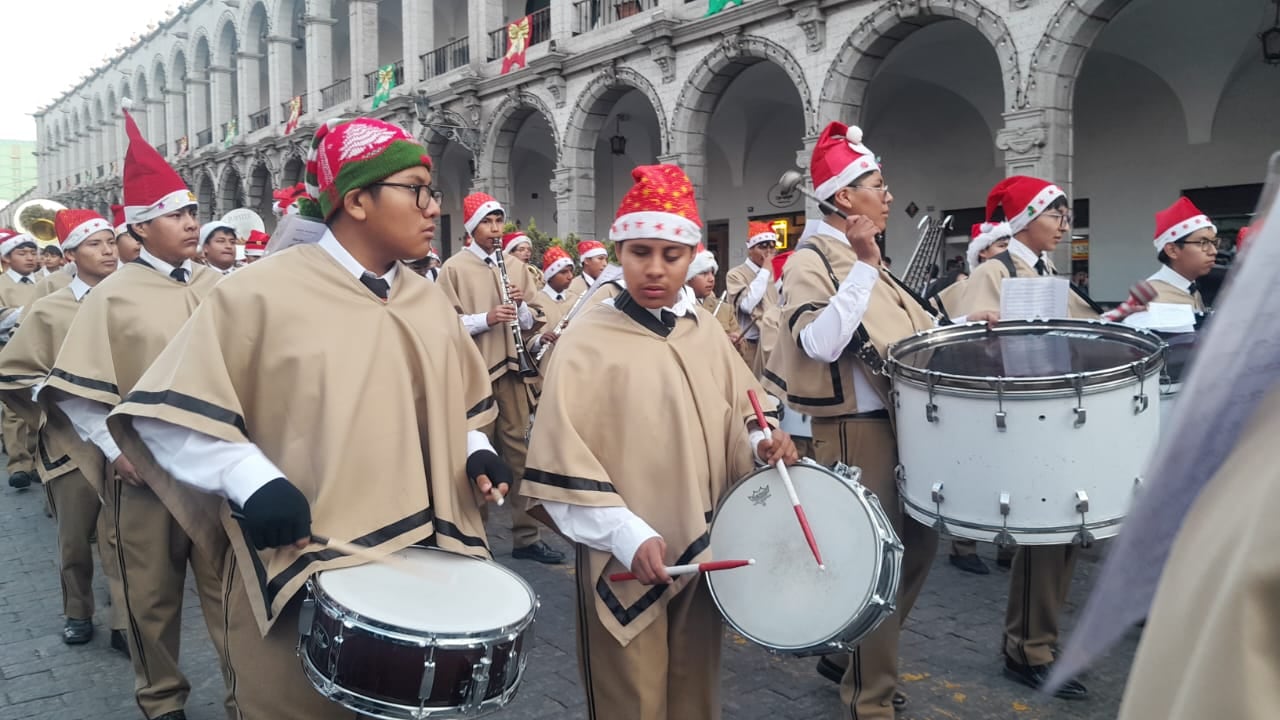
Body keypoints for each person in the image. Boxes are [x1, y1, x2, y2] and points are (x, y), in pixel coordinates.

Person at [105, 117, 506, 720]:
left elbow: (459, 400)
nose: (433, 207)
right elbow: (170, 415)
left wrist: (474, 447)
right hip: (307, 563)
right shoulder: (258, 293)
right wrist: (252, 481)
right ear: (357, 200)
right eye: (416, 189)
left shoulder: (427, 296)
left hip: (426, 563)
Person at [523, 163, 798, 720]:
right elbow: (561, 460)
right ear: (617, 251)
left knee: (694, 694)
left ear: (691, 255)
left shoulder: (702, 332)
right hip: (626, 558)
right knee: (634, 701)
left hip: (703, 548)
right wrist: (624, 534)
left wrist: (763, 439)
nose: (654, 269)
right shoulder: (586, 342)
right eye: (638, 252)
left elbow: (739, 409)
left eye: (670, 256)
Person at [763, 122, 996, 717]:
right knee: (879, 564)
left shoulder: (858, 257)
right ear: (844, 197)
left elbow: (913, 332)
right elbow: (817, 341)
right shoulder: (813, 258)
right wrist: (865, 267)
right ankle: (869, 698)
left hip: (896, 424)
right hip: (853, 431)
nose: (889, 195)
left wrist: (968, 326)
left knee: (916, 550)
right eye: (877, 184)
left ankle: (847, 656)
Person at [40, 105, 236, 720]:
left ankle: (245, 698)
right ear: (142, 228)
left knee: (229, 594)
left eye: (192, 213)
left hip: (216, 467)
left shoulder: (216, 285)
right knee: (151, 600)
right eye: (176, 214)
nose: (190, 222)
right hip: (145, 471)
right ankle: (161, 700)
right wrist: (116, 449)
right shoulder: (113, 296)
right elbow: (75, 389)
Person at [953, 175, 1096, 699]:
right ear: (1025, 219)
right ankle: (1028, 649)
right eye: (1054, 214)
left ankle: (1038, 642)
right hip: (1021, 417)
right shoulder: (995, 269)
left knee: (1063, 533)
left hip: (1053, 412)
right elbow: (964, 339)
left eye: (1064, 216)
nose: (1063, 224)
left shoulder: (1046, 271)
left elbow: (1086, 330)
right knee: (1045, 531)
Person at [0, 208, 128, 652]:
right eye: (95, 244)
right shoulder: (50, 309)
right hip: (70, 441)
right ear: (70, 253)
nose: (108, 250)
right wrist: (53, 395)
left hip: (128, 440)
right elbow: (14, 372)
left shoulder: (131, 298)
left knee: (120, 538)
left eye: (112, 242)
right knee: (75, 539)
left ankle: (123, 622)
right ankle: (78, 611)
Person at [437, 192, 562, 565]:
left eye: (498, 222)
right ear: (472, 227)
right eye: (487, 223)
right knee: (476, 456)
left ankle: (527, 536)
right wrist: (486, 319)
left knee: (521, 454)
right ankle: (475, 540)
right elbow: (443, 323)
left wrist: (520, 305)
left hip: (512, 371)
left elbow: (532, 321)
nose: (494, 229)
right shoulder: (453, 269)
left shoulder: (515, 266)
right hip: (474, 374)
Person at [0, 231, 44, 490]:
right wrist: (32, 314)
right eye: (22, 253)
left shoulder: (44, 281)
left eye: (32, 252)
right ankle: (18, 464)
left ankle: (40, 460)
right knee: (14, 409)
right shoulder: (2, 284)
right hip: (10, 352)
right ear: (6, 257)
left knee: (40, 406)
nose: (29, 258)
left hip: (40, 352)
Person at [1146, 196, 1218, 311]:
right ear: (1172, 250)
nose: (1213, 251)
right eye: (1203, 242)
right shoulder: (1152, 298)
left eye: (1214, 243)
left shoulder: (1191, 289)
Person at [726, 222, 780, 377]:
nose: (769, 251)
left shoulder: (775, 273)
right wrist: (764, 271)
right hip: (750, 345)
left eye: (772, 246)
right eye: (762, 246)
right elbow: (746, 305)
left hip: (773, 342)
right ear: (750, 249)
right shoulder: (736, 274)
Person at [528, 245, 578, 365]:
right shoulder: (535, 301)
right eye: (563, 272)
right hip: (546, 366)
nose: (570, 276)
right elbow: (526, 336)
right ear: (550, 276)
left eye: (571, 271)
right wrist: (540, 340)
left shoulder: (576, 299)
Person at [685, 246, 742, 346]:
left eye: (712, 273)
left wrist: (736, 342)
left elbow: (743, 349)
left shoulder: (724, 309)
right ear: (688, 277)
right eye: (704, 273)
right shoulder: (675, 309)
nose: (711, 279)